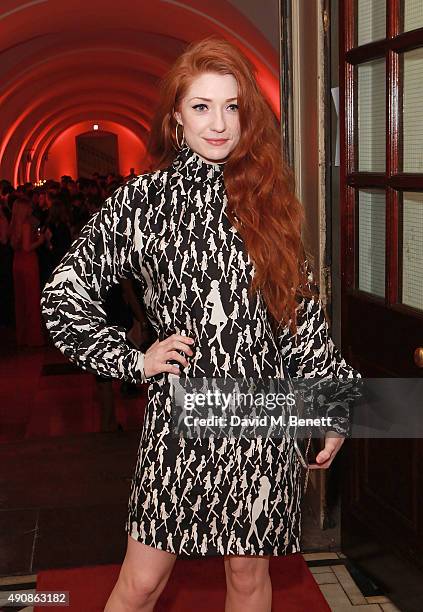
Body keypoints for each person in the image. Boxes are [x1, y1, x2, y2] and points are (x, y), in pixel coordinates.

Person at [40, 36, 361, 612]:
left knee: (247, 577)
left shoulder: (268, 201)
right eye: (202, 107)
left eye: (231, 106)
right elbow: (64, 296)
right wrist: (133, 358)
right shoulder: (143, 202)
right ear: (176, 118)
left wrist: (331, 405)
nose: (218, 123)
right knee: (139, 585)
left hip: (261, 422)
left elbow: (300, 315)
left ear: (247, 115)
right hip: (180, 424)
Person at [10, 197, 45, 347]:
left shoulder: (14, 224)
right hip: (28, 261)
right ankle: (33, 338)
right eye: (29, 208)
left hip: (17, 262)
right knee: (31, 299)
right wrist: (40, 241)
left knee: (21, 300)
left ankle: (23, 336)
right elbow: (26, 247)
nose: (31, 210)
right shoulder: (25, 225)